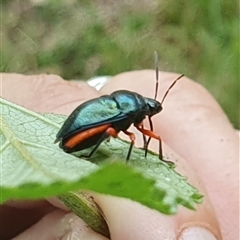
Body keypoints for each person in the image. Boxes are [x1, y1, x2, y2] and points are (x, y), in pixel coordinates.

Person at [1, 71, 239, 240]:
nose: (152, 113)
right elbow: (128, 133)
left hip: (84, 129)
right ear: (144, 109)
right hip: (79, 134)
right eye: (152, 110)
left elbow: (143, 134)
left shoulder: (133, 107)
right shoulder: (132, 110)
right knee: (117, 133)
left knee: (121, 133)